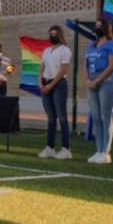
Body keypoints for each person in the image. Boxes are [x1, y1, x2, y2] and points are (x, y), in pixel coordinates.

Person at [84, 17, 113, 164]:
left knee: (106, 117)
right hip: (92, 82)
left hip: (106, 82)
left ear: (106, 28)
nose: (97, 28)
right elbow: (86, 64)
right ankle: (99, 150)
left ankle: (106, 152)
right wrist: (88, 79)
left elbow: (111, 66)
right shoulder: (91, 45)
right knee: (96, 117)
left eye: (99, 26)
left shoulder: (111, 45)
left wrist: (98, 80)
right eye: (95, 26)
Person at [37, 25, 72, 160]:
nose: (53, 36)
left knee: (61, 116)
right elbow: (42, 67)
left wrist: (51, 85)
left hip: (58, 84)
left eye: (55, 34)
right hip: (46, 83)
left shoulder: (65, 50)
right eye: (51, 34)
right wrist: (41, 83)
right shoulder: (46, 50)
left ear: (60, 35)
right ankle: (50, 147)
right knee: (51, 117)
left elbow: (63, 70)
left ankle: (66, 148)